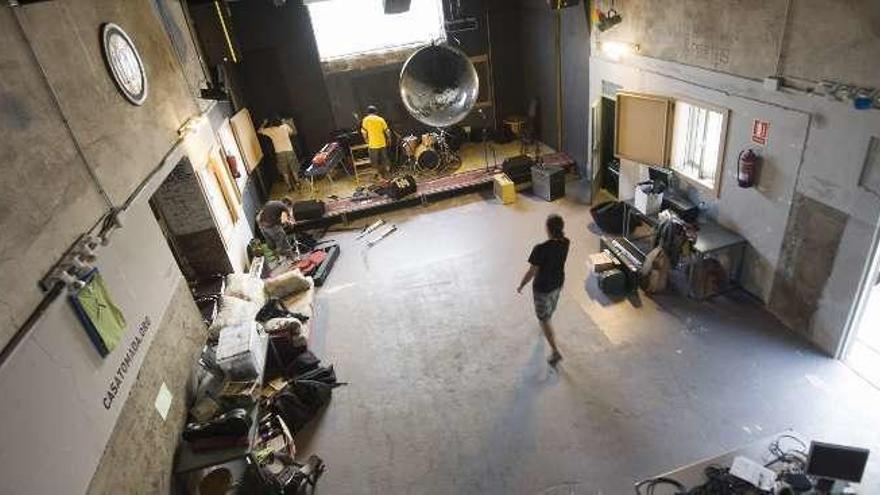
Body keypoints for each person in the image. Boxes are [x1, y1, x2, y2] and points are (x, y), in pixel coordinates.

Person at [517, 214, 570, 366]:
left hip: (542, 288)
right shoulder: (566, 242)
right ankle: (546, 320)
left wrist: (522, 284)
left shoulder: (540, 249)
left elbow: (531, 272)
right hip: (558, 283)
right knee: (550, 307)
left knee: (543, 319)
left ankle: (555, 351)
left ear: (548, 229)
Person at [259, 117, 300, 191]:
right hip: (289, 150)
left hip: (279, 152)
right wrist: (286, 122)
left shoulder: (270, 130)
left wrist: (264, 123)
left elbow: (259, 131)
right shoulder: (285, 127)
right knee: (294, 168)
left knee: (284, 171)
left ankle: (289, 187)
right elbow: (292, 132)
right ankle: (297, 183)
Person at [360, 105, 392, 179]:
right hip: (382, 143)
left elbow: (363, 132)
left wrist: (366, 140)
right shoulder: (380, 119)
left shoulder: (365, 120)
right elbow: (387, 131)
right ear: (376, 112)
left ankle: (377, 175)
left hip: (372, 144)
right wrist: (389, 139)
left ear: (368, 112)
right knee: (384, 159)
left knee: (374, 160)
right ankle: (387, 174)